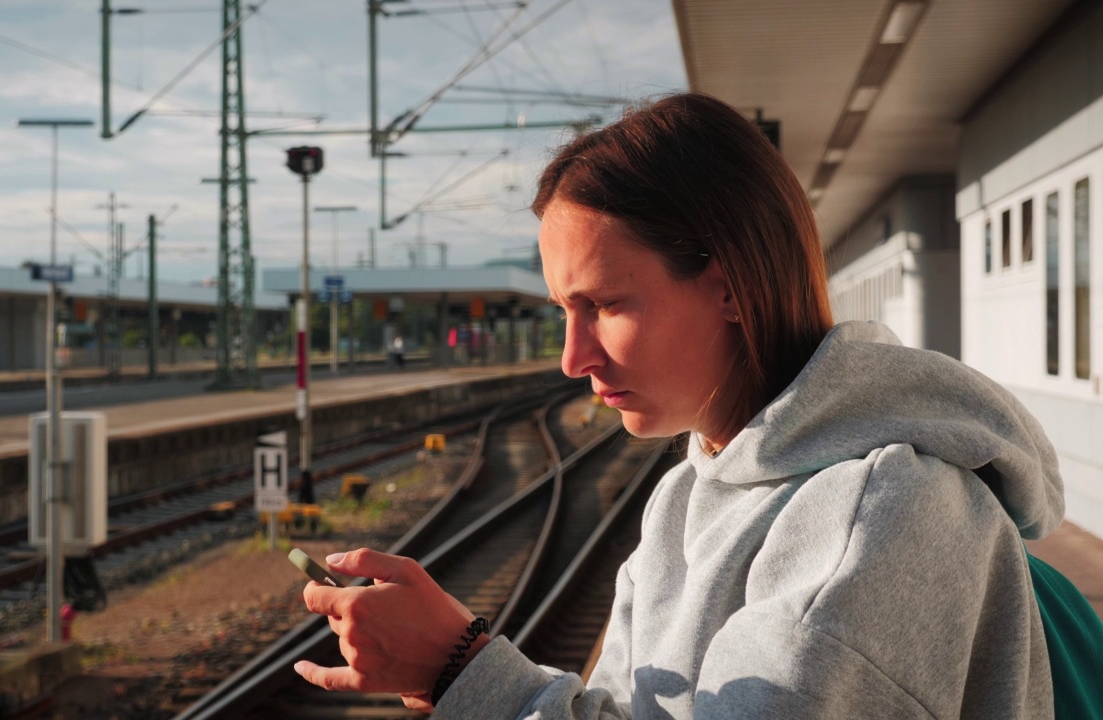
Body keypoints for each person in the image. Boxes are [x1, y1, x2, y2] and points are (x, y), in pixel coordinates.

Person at [295, 93, 1063, 718]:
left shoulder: (883, 512)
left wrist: (464, 669)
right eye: (566, 309)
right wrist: (456, 677)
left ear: (730, 285)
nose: (573, 357)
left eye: (605, 304)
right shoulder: (682, 499)